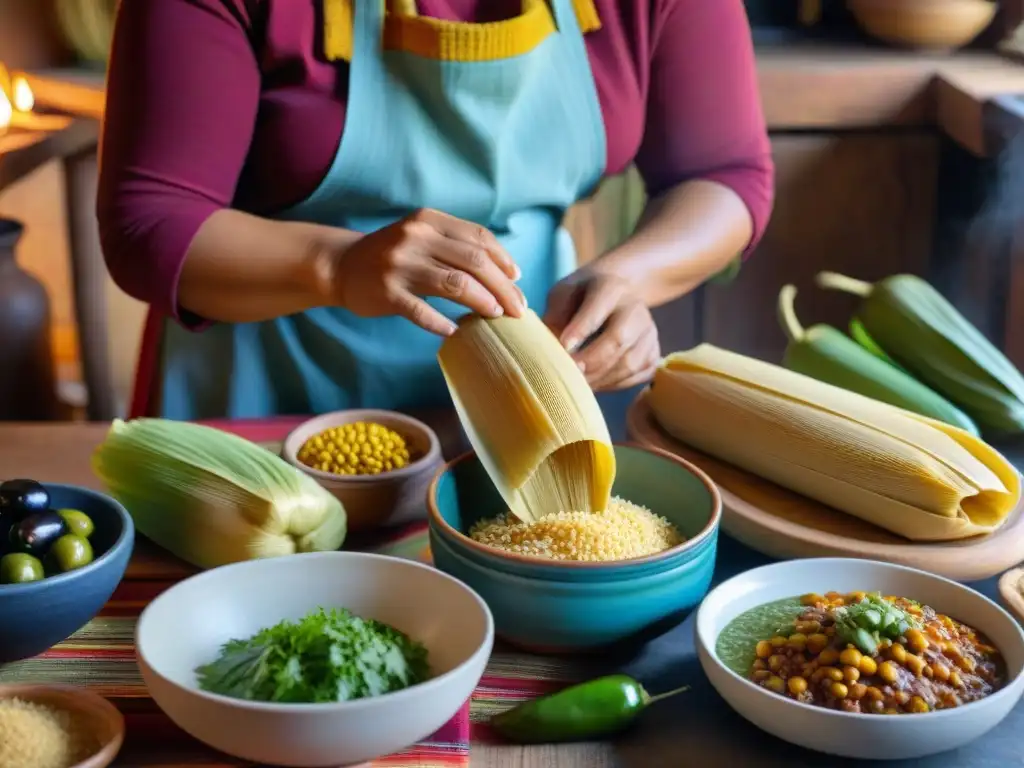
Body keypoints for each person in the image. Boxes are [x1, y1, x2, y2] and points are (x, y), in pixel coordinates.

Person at [97, 0, 774, 423]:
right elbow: (150, 219)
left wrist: (629, 278)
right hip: (265, 399)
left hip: (534, 393)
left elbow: (722, 172)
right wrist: (336, 264)